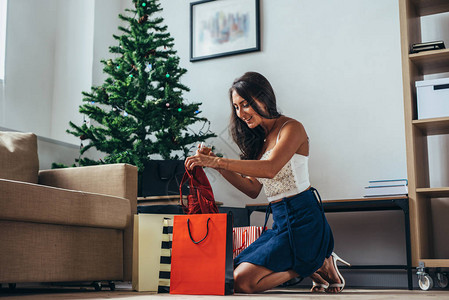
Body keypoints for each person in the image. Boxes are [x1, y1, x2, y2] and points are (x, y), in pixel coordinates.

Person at [184, 71, 350, 294]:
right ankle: (315, 262)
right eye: (236, 107)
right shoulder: (258, 141)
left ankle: (316, 262)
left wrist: (217, 160)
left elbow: (271, 168)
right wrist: (214, 165)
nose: (241, 113)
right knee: (230, 273)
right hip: (280, 223)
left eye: (245, 104)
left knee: (243, 282)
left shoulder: (292, 128)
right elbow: (252, 189)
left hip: (305, 221)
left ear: (263, 99)